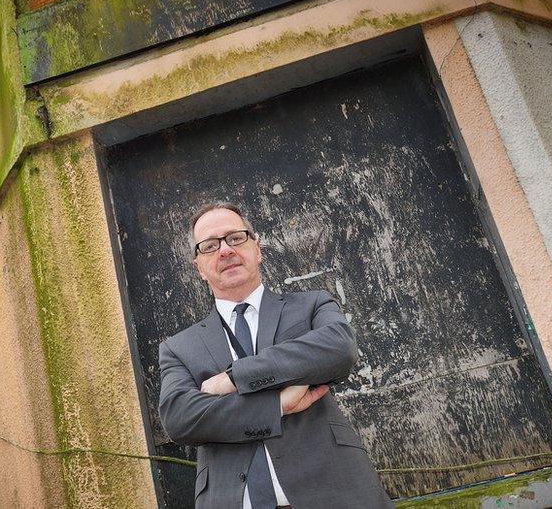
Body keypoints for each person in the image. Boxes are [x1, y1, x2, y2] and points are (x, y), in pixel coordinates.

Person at [158, 202, 393, 509]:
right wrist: (278, 405)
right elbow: (180, 418)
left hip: (339, 494)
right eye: (210, 246)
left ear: (258, 248)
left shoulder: (311, 305)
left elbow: (339, 349)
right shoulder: (178, 347)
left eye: (235, 238)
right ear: (199, 268)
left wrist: (234, 378)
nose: (225, 250)